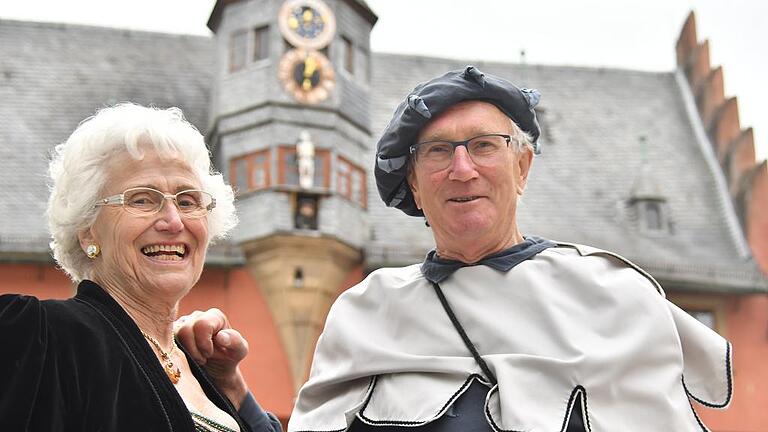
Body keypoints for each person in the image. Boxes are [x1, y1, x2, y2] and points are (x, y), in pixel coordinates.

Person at [181, 67, 732, 431]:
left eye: (484, 146)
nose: (462, 168)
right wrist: (232, 390)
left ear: (523, 166)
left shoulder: (615, 293)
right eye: (438, 152)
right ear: (415, 185)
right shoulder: (366, 310)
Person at [0, 103, 281, 432]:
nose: (173, 221)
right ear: (88, 229)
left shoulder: (208, 373)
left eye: (188, 200)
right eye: (142, 199)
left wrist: (231, 389)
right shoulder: (40, 337)